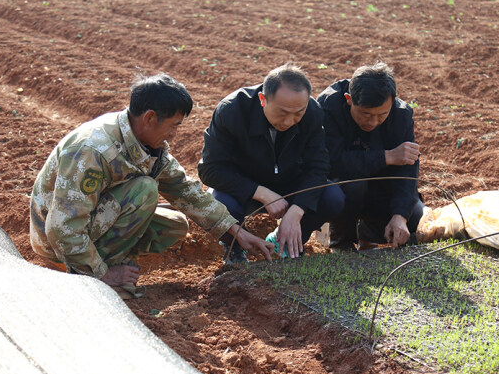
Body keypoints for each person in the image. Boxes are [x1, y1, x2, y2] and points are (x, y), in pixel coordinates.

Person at [30, 73, 272, 298]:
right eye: (174, 125)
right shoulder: (93, 151)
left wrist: (235, 231)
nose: (175, 134)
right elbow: (63, 229)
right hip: (57, 240)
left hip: (90, 220)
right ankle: (93, 273)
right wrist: (103, 273)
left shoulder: (144, 142)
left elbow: (183, 188)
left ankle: (108, 259)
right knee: (144, 190)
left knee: (174, 225)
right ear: (149, 118)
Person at [198, 64, 345, 262]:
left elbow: (318, 166)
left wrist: (297, 210)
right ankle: (234, 247)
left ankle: (287, 241)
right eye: (282, 113)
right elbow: (210, 169)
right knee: (220, 203)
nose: (289, 121)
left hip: (288, 181)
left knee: (332, 197)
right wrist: (261, 193)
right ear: (262, 99)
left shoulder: (313, 112)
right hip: (242, 185)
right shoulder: (232, 111)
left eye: (298, 114)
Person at [316, 62, 424, 251]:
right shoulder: (328, 107)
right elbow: (331, 162)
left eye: (382, 114)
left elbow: (407, 168)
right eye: (365, 114)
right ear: (349, 99)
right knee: (354, 185)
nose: (373, 122)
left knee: (415, 216)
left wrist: (400, 215)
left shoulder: (401, 115)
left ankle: (366, 233)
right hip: (339, 188)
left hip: (378, 187)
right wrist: (386, 157)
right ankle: (341, 242)